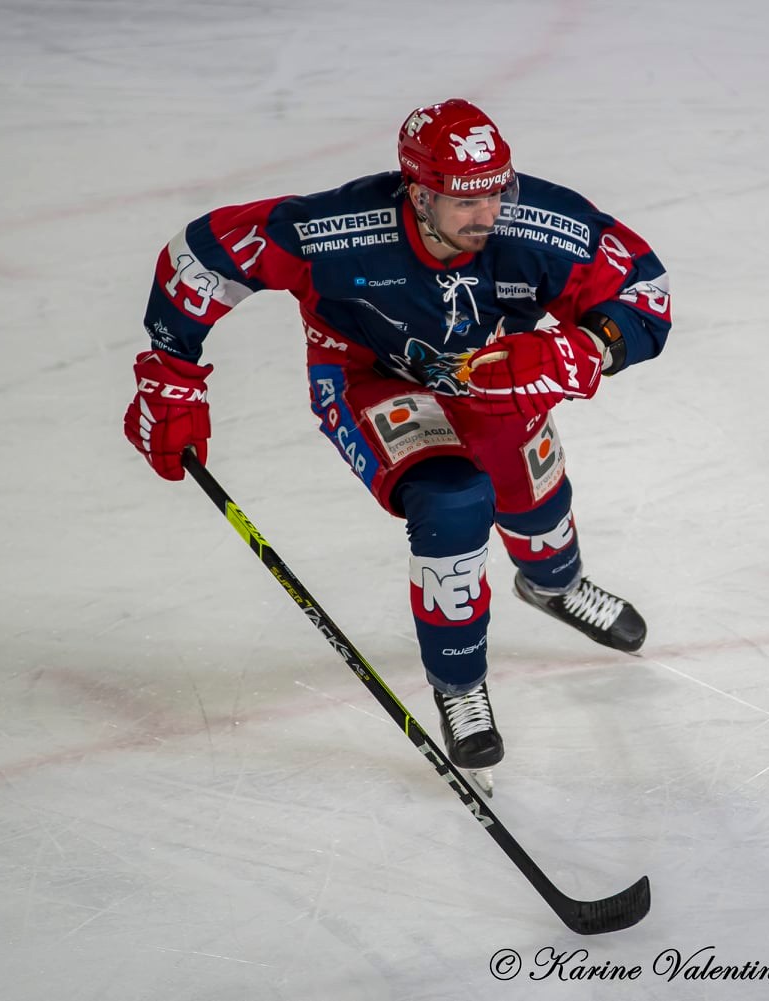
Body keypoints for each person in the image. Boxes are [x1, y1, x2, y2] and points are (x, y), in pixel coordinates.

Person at [124, 99, 672, 781]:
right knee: (452, 501)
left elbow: (644, 290)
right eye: (464, 200)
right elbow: (199, 260)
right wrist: (170, 377)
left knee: (534, 504)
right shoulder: (334, 231)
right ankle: (459, 682)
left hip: (494, 376)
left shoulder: (535, 222)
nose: (488, 212)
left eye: (496, 190)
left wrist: (585, 347)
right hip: (369, 378)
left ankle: (554, 586)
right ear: (416, 194)